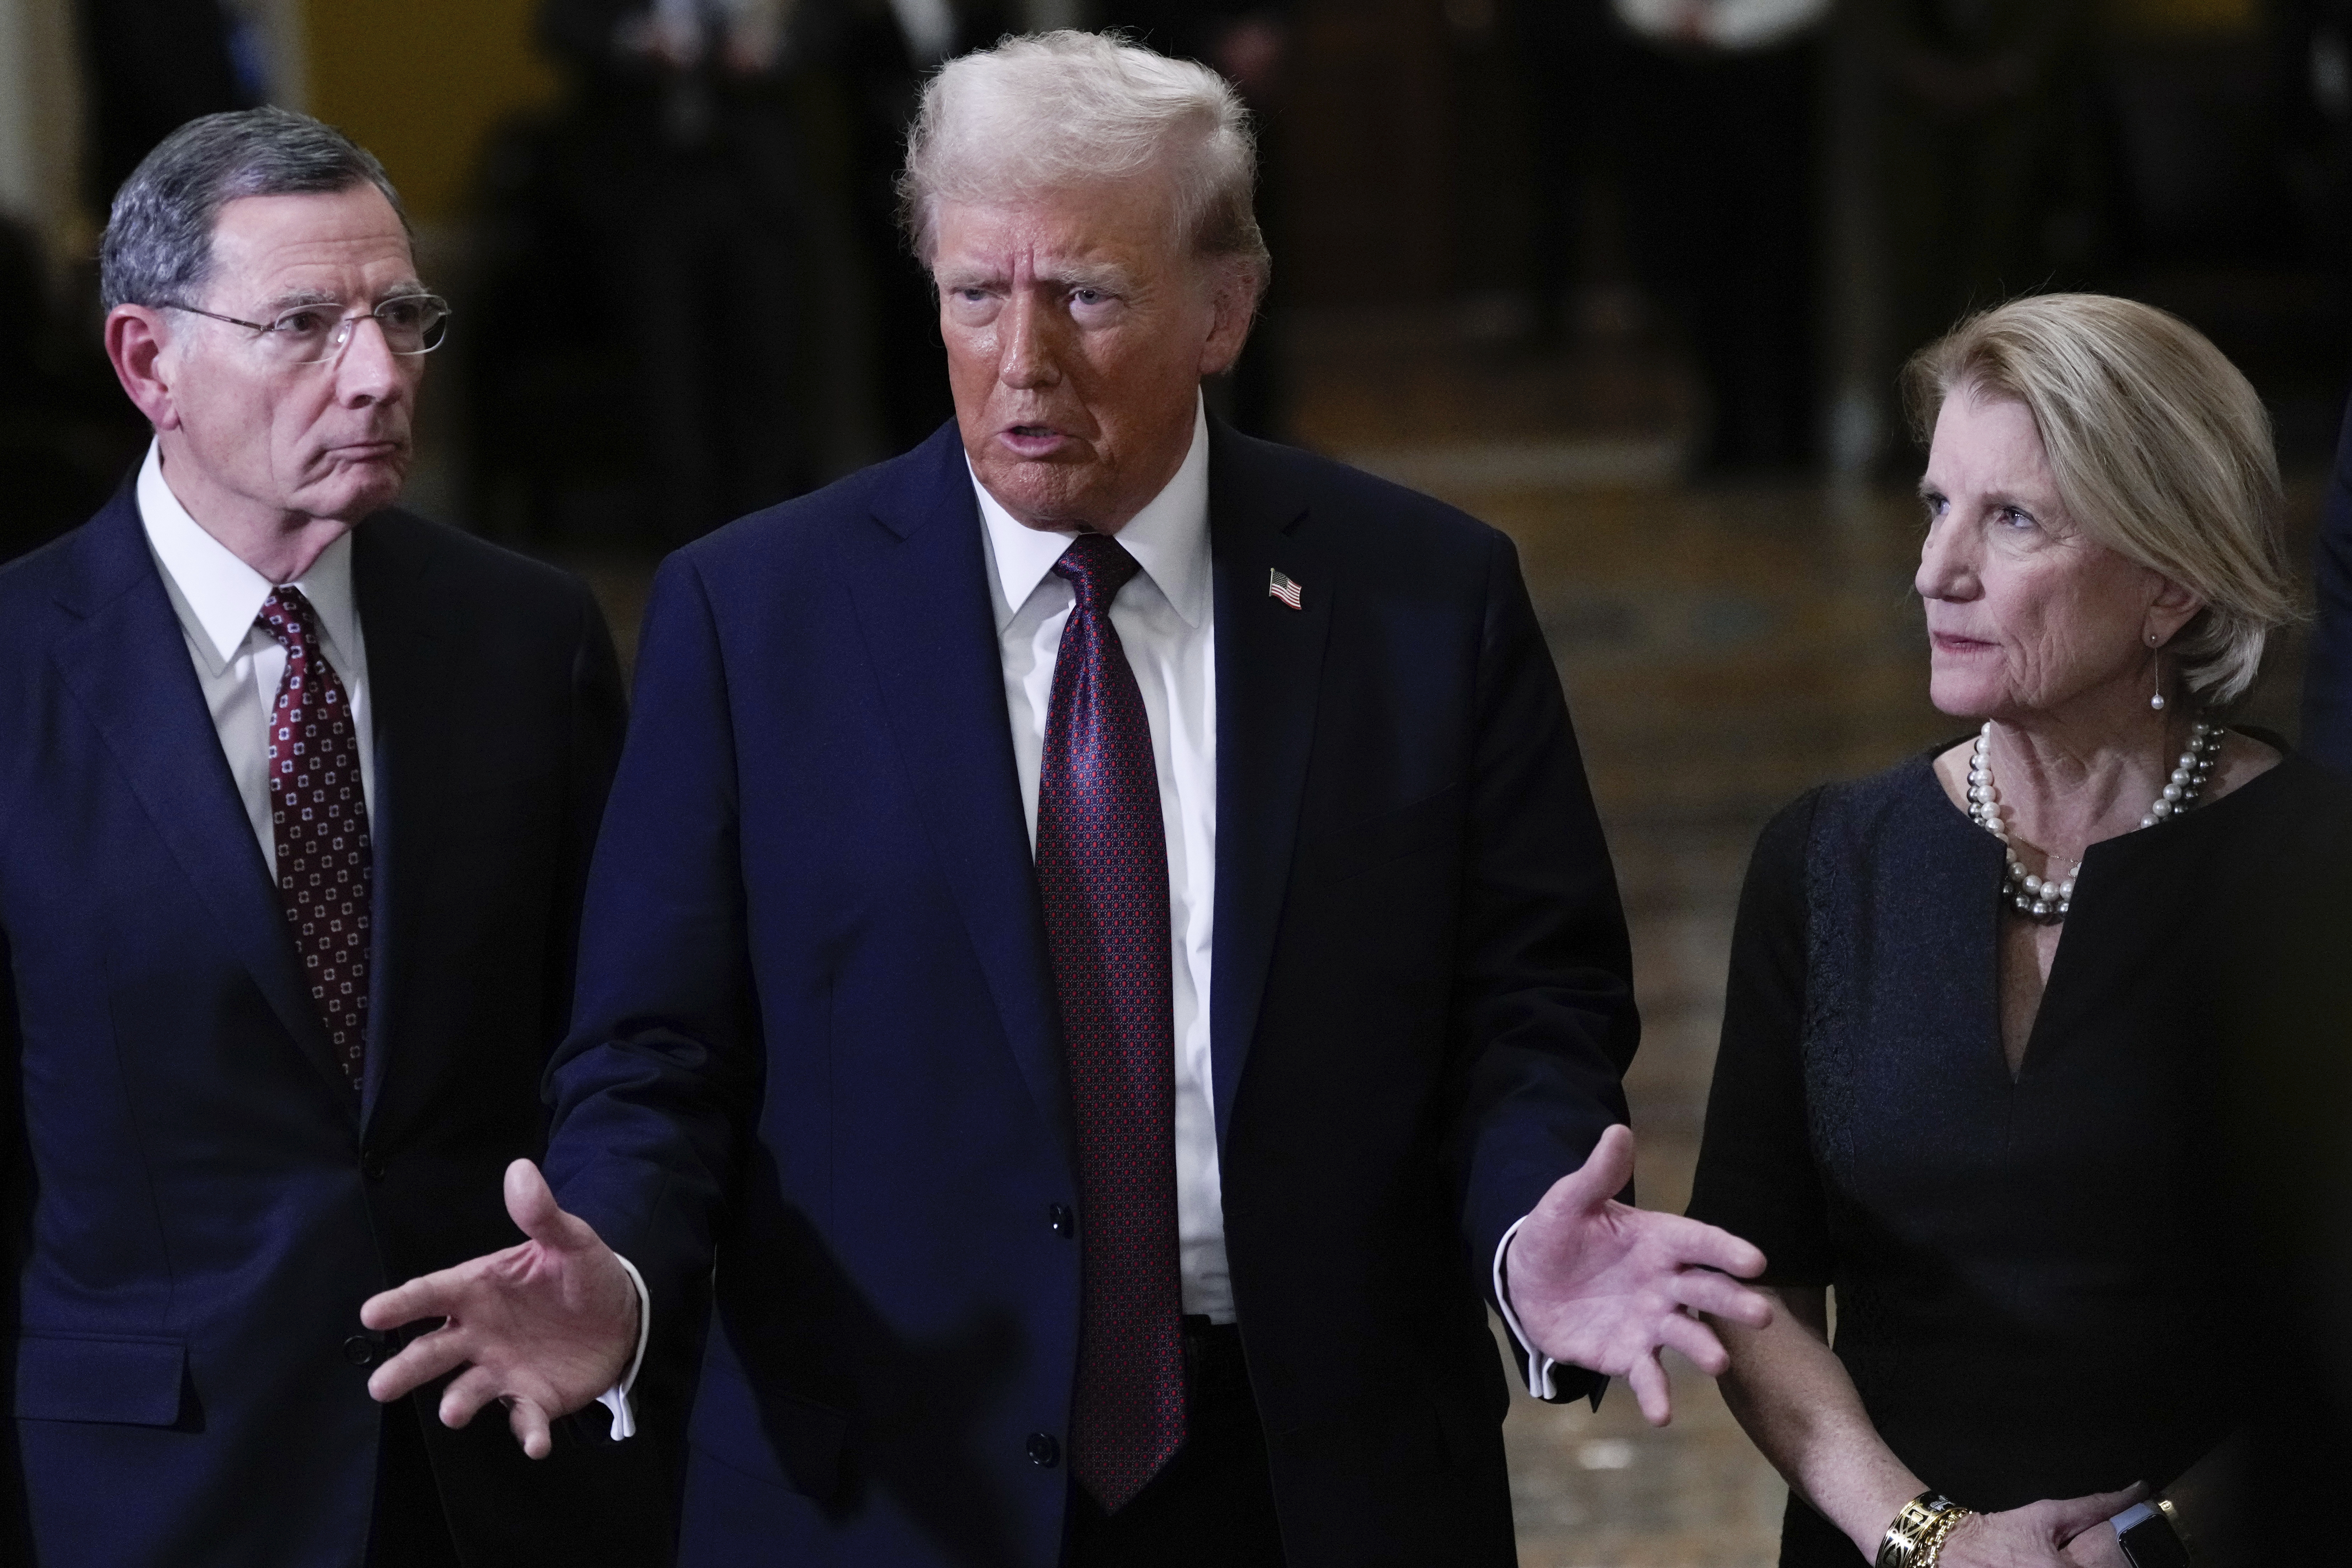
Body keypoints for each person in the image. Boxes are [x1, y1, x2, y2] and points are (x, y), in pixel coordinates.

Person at [361, 31, 1772, 1568]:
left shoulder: (1426, 600)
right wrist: (618, 1268)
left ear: (1224, 307)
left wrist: (1525, 1237)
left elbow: (1530, 1009)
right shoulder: (755, 618)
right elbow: (655, 1048)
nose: (1022, 360)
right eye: (978, 294)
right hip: (891, 1483)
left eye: (1088, 296)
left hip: (1313, 1475)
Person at [0, 108, 671, 1566]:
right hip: (150, 1487)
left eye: (401, 318)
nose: (376, 376)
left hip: (501, 1465)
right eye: (305, 325)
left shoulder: (527, 638)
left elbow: (626, 1034)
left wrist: (604, 1269)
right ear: (146, 362)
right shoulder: (14, 672)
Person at [1687, 293, 2342, 1568]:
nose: (1938, 571)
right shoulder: (1826, 860)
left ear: (2170, 583)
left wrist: (2142, 1545)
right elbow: (1751, 1283)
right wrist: (1925, 1537)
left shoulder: (2322, 872)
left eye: (2014, 520)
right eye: (1937, 506)